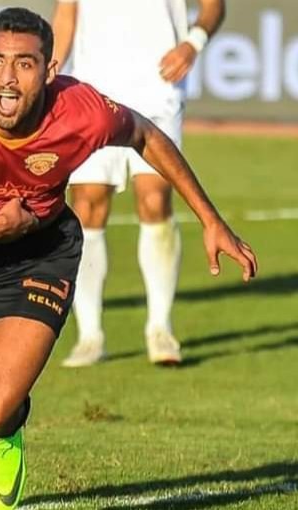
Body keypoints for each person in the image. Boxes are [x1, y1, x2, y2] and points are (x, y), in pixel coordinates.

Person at [0, 7, 255, 510]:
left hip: (37, 255)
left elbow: (145, 134)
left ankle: (5, 432)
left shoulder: (80, 110)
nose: (7, 79)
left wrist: (210, 219)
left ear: (50, 69)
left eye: (24, 64)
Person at [51, 0, 226, 367]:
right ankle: (90, 336)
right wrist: (50, 69)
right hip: (93, 84)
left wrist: (193, 42)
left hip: (158, 83)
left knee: (154, 198)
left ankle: (160, 329)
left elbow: (214, 6)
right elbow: (67, 12)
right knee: (88, 205)